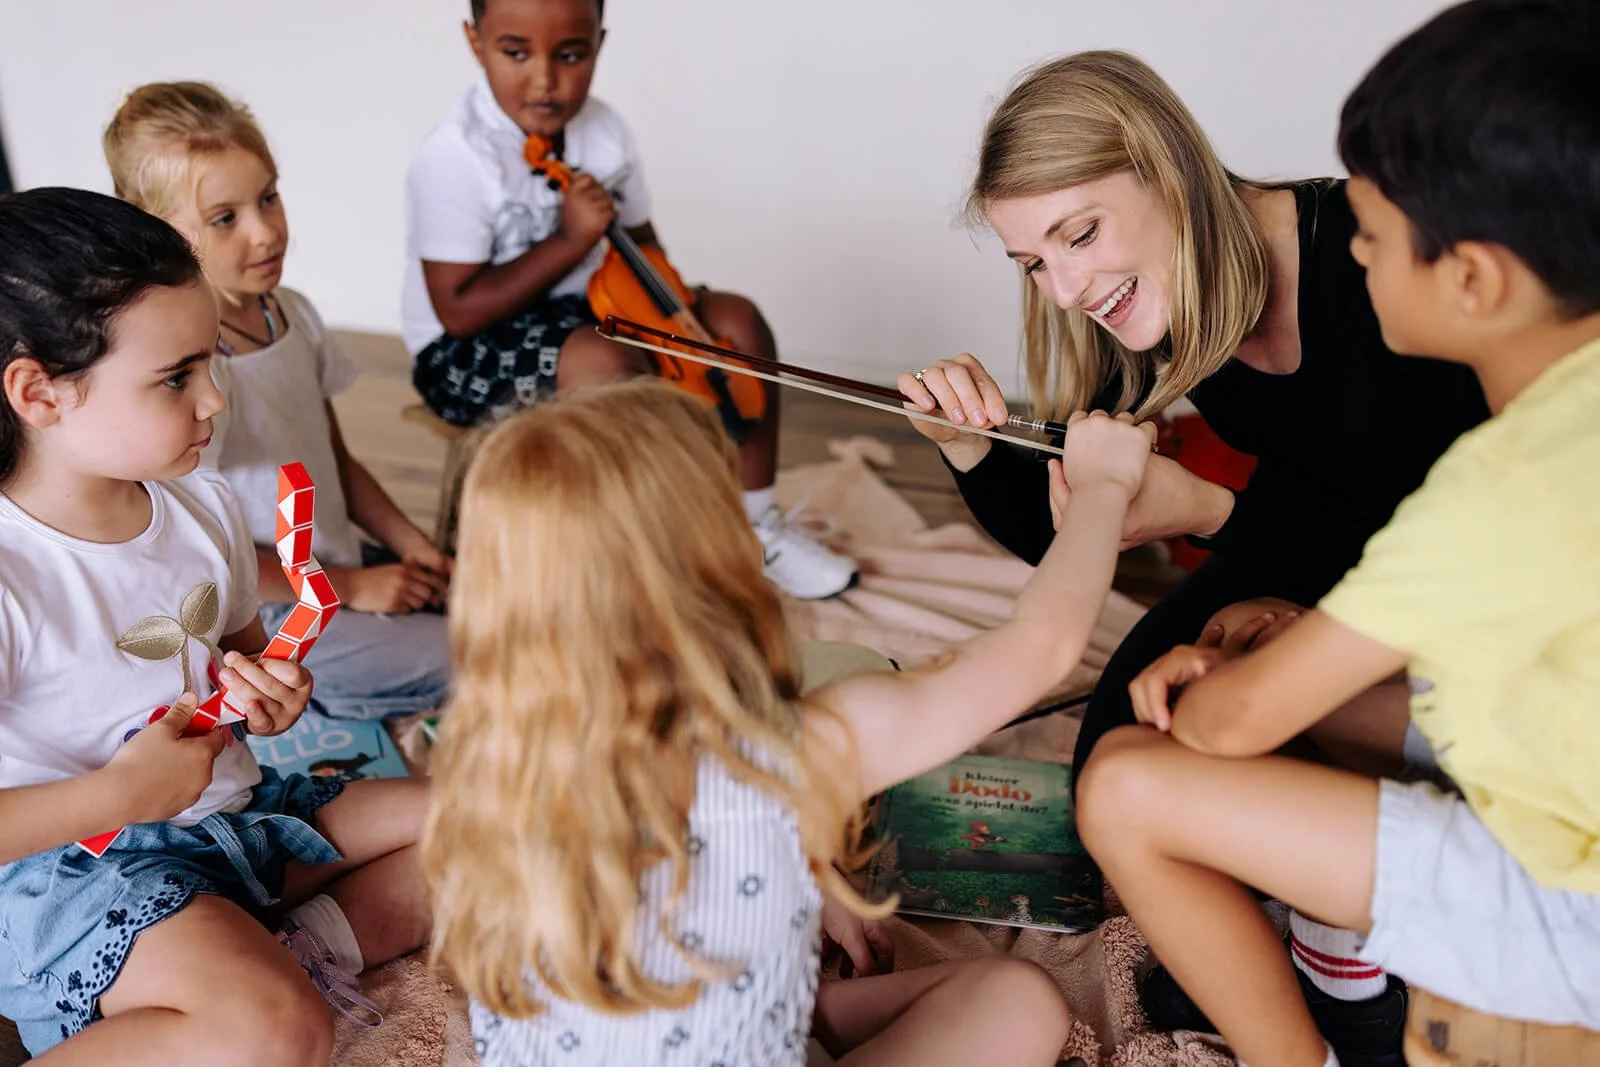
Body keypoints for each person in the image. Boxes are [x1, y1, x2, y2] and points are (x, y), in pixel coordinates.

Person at [896, 45, 1489, 1049]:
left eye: (1079, 234)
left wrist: (1209, 514)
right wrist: (965, 448)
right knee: (1115, 745)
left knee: (1217, 707)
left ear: (1165, 167)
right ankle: (1283, 910)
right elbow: (1081, 529)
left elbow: (1413, 546)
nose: (1067, 287)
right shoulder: (1154, 302)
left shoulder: (1372, 260)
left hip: (1442, 575)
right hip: (1312, 538)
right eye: (1035, 261)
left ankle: (1337, 953)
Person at [1076, 4, 1600, 1066]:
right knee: (1258, 646)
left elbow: (1228, 725)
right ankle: (1344, 965)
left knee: (1126, 780)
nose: (1350, 253)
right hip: (1563, 756)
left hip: (1572, 903)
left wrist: (1213, 676)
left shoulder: (1494, 488)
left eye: (1367, 233)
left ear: (1472, 279)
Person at [420, 380, 1158, 1064]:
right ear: (714, 562)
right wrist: (1104, 487)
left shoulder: (486, 756)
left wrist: (810, 879)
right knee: (1019, 1000)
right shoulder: (794, 752)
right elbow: (1041, 645)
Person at [0, 188, 432, 1062]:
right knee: (275, 1029)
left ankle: (274, 956)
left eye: (209, 368)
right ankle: (235, 994)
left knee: (509, 824)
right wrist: (118, 796)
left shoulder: (201, 506)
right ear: (39, 392)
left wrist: (271, 691)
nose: (214, 402)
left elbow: (237, 657)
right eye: (175, 378)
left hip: (234, 818)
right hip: (79, 872)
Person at [402, 0, 855, 600]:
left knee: (739, 322)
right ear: (474, 41)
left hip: (588, 308)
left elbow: (644, 246)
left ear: (599, 43)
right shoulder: (456, 157)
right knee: (610, 365)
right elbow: (458, 309)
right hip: (466, 347)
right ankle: (634, 557)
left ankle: (755, 524)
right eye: (516, 52)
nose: (544, 80)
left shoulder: (604, 131)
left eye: (571, 54)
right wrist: (569, 240)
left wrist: (680, 319)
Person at [104, 81, 454, 723]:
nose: (266, 232)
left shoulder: (291, 315)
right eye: (225, 218)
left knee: (503, 607)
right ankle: (330, 701)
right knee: (483, 657)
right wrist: (349, 590)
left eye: (268, 197)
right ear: (152, 229)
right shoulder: (193, 377)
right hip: (270, 611)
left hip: (341, 563)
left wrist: (411, 545)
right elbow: (201, 544)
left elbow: (335, 459)